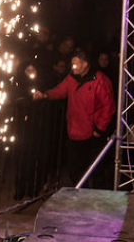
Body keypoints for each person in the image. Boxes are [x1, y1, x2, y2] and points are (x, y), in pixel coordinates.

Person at [33, 50, 114, 187]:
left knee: (96, 171)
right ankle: (82, 198)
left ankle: (96, 202)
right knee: (75, 171)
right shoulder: (72, 78)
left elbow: (108, 107)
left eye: (76, 65)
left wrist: (99, 129)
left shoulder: (100, 81)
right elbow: (60, 91)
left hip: (92, 135)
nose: (73, 67)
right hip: (74, 132)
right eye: (72, 64)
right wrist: (45, 95)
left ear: (85, 64)